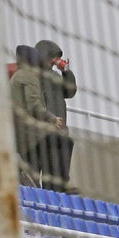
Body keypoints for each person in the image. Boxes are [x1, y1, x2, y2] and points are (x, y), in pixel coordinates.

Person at [10, 45, 64, 190]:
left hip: (21, 135)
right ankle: (53, 192)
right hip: (31, 134)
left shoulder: (17, 76)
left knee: (31, 172)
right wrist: (52, 119)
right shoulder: (28, 76)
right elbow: (34, 106)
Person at [34, 38, 76, 186]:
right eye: (52, 57)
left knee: (62, 163)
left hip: (60, 127)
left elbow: (70, 92)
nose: (54, 61)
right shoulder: (34, 76)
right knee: (48, 167)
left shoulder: (55, 76)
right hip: (46, 128)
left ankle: (61, 188)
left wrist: (66, 72)